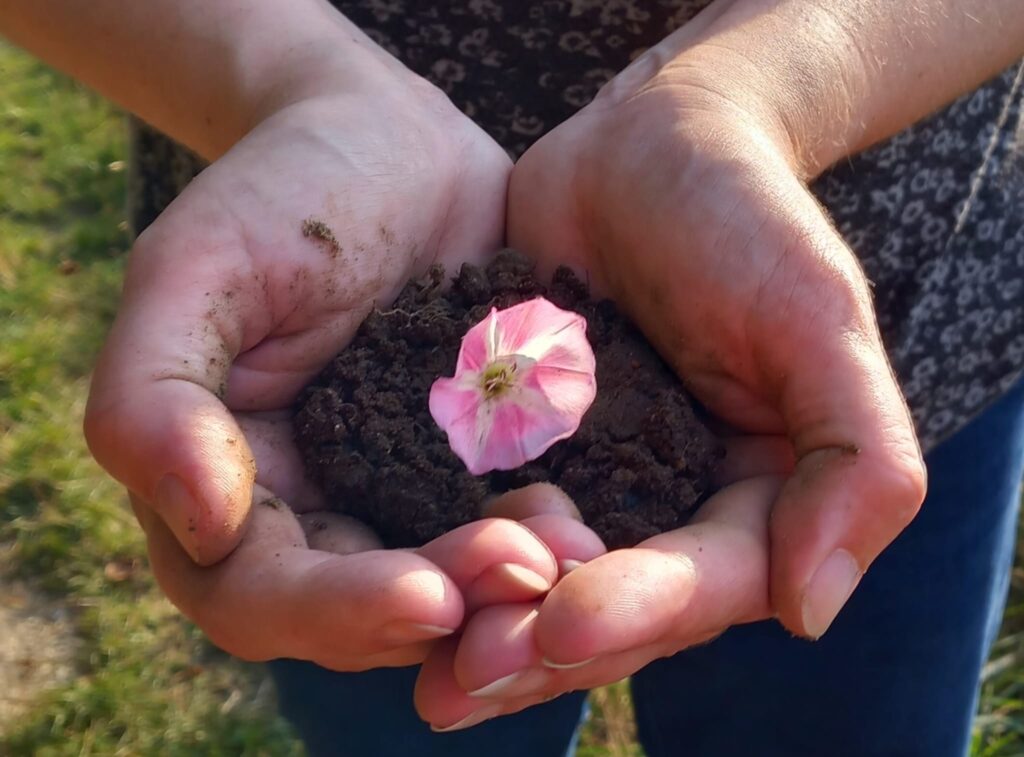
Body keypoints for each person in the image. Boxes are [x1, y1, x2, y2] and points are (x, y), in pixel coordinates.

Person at [2, 1, 1023, 754]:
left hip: (900, 296)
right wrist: (289, 81)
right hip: (310, 247)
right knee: (407, 687)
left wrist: (746, 92)